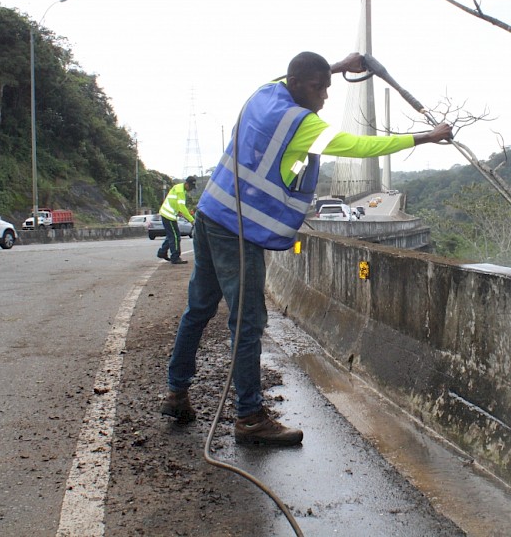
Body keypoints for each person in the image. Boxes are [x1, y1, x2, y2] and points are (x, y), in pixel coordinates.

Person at [160, 51, 452, 445]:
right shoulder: (302, 125)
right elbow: (360, 147)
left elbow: (294, 74)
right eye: (319, 88)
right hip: (237, 229)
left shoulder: (265, 93)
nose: (325, 97)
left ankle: (176, 391)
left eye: (327, 88)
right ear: (297, 86)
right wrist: (427, 137)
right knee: (247, 322)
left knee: (199, 308)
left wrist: (336, 67)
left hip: (211, 215)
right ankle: (249, 417)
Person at [156, 175, 196, 265]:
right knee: (175, 236)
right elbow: (182, 207)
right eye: (191, 187)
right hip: (168, 215)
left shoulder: (177, 188)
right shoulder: (180, 192)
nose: (191, 189)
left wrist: (178, 211)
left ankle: (162, 252)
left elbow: (175, 204)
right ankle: (175, 257)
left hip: (167, 214)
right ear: (186, 184)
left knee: (171, 236)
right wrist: (191, 220)